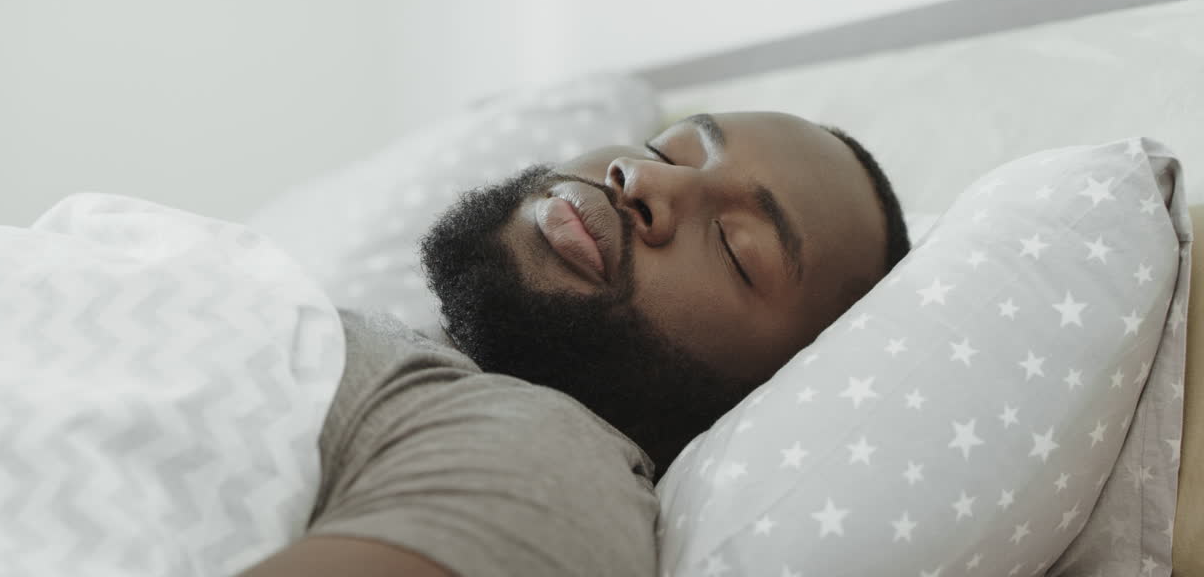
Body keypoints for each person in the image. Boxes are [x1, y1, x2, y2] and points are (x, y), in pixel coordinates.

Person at [241, 112, 910, 577]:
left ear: (768, 389)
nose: (639, 180)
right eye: (663, 151)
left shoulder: (544, 466)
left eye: (737, 247)